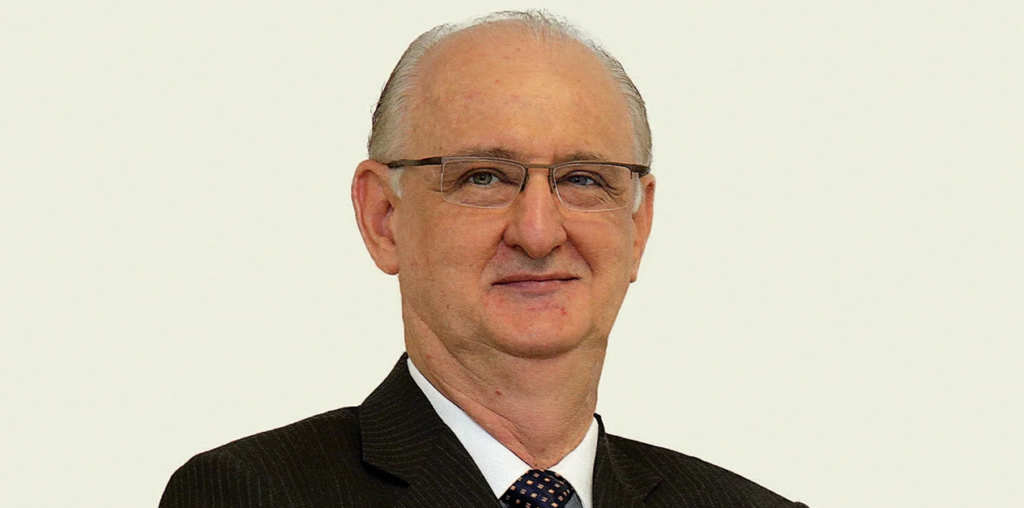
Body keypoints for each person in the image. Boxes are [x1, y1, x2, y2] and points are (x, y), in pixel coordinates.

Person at [160, 10, 806, 508]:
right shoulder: (254, 494)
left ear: (637, 225)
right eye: (483, 178)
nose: (538, 232)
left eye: (583, 179)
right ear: (384, 217)